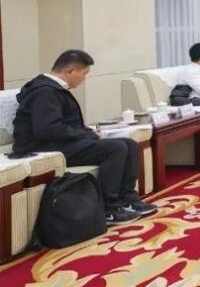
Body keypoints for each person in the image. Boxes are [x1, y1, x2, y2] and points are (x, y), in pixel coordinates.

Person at [12, 50, 157, 225]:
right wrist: (86, 134)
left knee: (129, 144)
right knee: (115, 148)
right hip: (41, 148)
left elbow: (63, 124)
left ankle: (128, 200)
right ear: (70, 71)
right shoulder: (45, 92)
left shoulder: (53, 89)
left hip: (57, 143)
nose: (84, 78)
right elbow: (47, 129)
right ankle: (108, 208)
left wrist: (87, 132)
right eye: (84, 73)